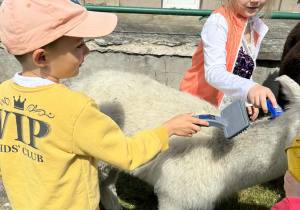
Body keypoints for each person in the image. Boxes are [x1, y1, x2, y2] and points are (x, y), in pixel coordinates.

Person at [0, 0, 209, 209]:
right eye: (79, 45)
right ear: (42, 57)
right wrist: (168, 129)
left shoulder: (3, 94)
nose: (87, 51)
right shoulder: (76, 108)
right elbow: (128, 154)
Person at [180, 0, 278, 121]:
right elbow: (214, 72)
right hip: (200, 107)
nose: (255, 0)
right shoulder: (218, 21)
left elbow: (242, 66)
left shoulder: (253, 23)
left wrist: (247, 98)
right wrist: (249, 88)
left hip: (226, 110)